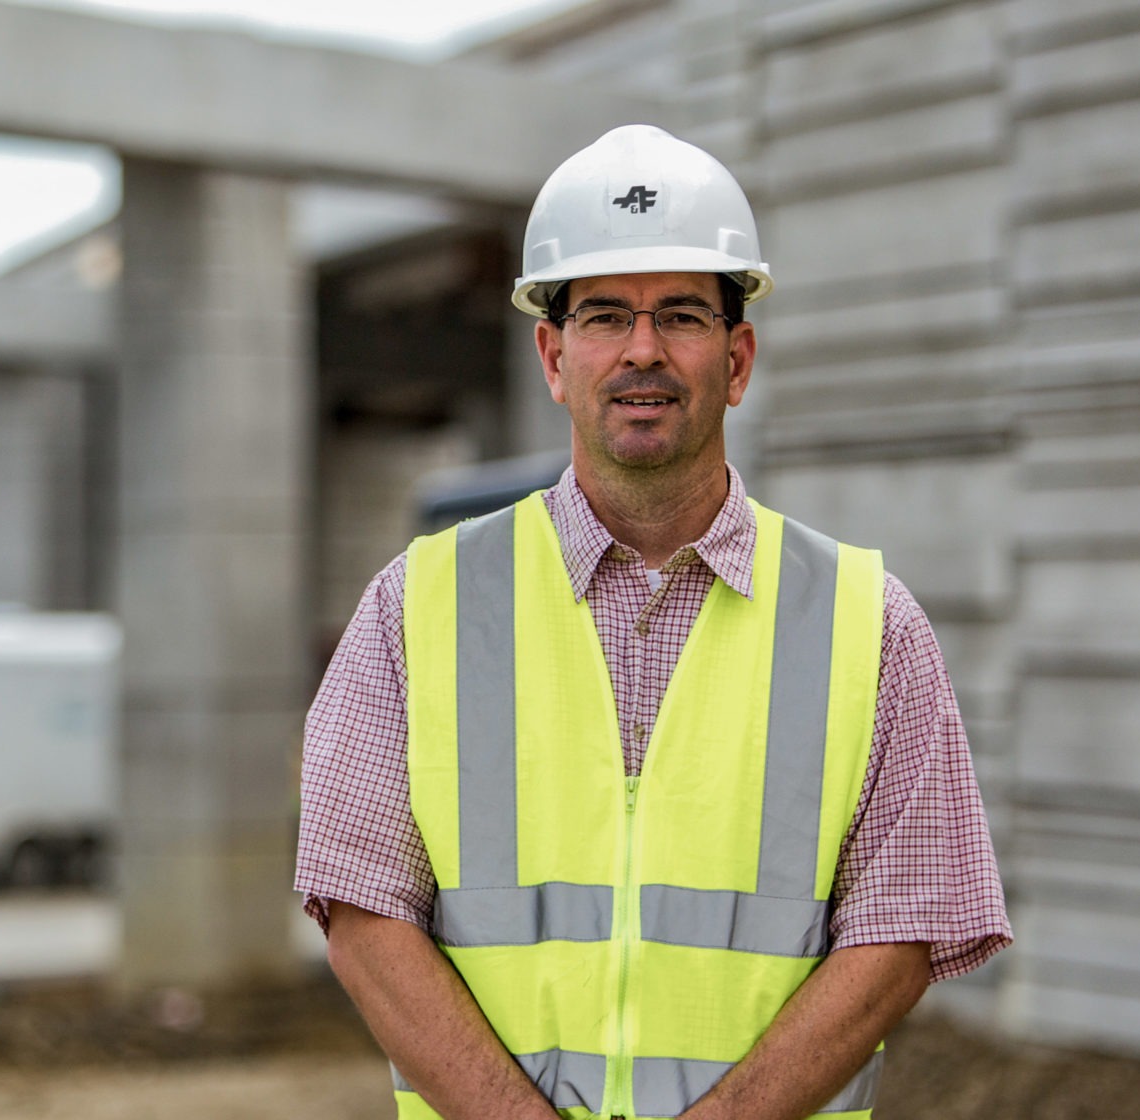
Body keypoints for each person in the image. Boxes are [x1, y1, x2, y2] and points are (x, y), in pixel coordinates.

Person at [295, 124, 1011, 1120]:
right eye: (602, 316)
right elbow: (363, 910)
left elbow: (903, 927)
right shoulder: (415, 607)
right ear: (553, 355)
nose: (641, 350)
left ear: (738, 356)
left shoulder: (868, 622)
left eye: (679, 314)